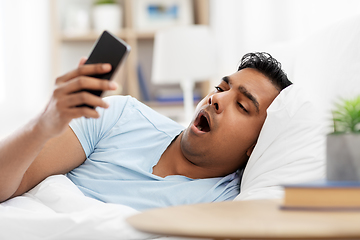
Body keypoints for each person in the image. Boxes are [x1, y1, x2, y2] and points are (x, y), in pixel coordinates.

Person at [0, 52, 292, 211]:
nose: (215, 99)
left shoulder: (226, 205)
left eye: (242, 105)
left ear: (257, 144)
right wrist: (42, 126)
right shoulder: (117, 116)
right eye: (220, 88)